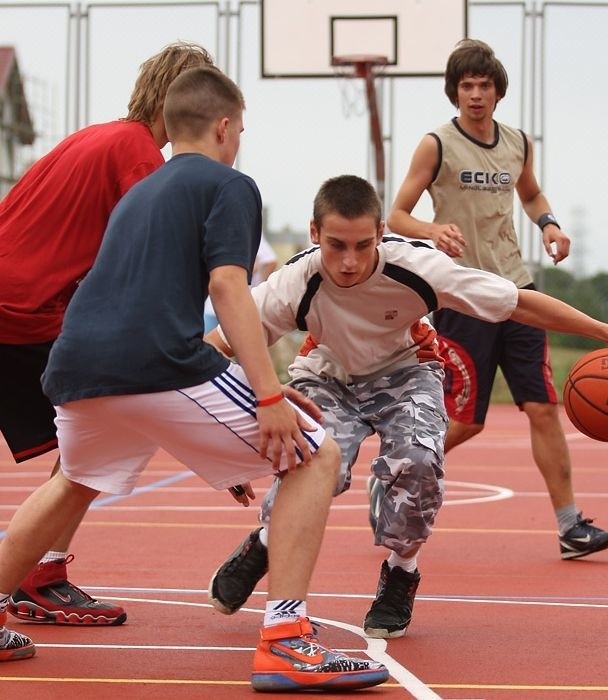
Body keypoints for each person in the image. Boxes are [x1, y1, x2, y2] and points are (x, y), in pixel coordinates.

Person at [0, 67, 389, 692]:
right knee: (316, 455)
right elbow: (229, 287)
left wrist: (240, 391)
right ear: (225, 126)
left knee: (74, 481)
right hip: (154, 361)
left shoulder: (138, 194)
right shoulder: (230, 185)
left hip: (75, 360)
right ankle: (287, 641)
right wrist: (265, 394)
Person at [205, 174, 608, 640]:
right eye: (336, 245)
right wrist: (227, 445)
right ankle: (267, 543)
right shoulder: (296, 280)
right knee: (313, 467)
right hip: (328, 376)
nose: (349, 261)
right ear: (314, 233)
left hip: (408, 372)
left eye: (363, 245)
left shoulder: (418, 267)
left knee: (420, 459)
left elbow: (518, 305)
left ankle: (401, 571)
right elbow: (217, 346)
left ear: (382, 233)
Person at [0, 41, 215, 627]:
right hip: (21, 311)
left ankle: (34, 573)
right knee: (92, 444)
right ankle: (36, 575)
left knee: (85, 445)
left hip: (20, 306)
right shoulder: (137, 153)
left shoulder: (92, 136)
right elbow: (153, 262)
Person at [387, 38, 608, 560]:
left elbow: (531, 193)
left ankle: (570, 526)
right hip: (463, 293)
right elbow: (395, 216)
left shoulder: (517, 141)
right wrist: (432, 230)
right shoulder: (437, 144)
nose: (475, 94)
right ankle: (394, 474)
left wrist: (550, 224)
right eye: (467, 86)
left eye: (484, 85)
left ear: (497, 92)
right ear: (455, 92)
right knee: (468, 419)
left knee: (543, 407)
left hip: (516, 287)